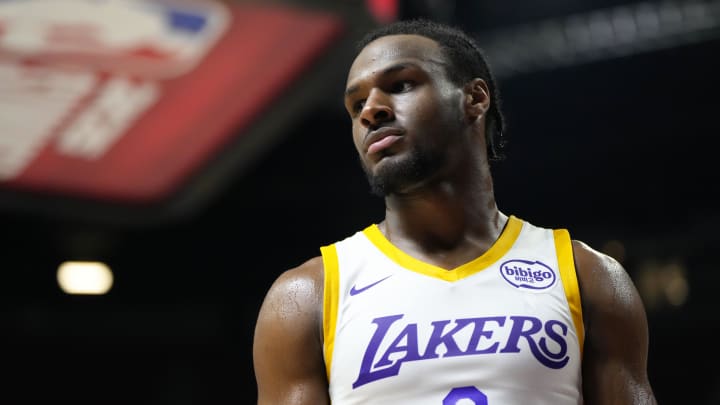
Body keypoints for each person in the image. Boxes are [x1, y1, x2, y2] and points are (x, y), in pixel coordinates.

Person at [253, 18, 657, 405]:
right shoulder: (307, 296)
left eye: (400, 84)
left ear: (475, 98)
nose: (370, 111)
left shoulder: (586, 276)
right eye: (356, 104)